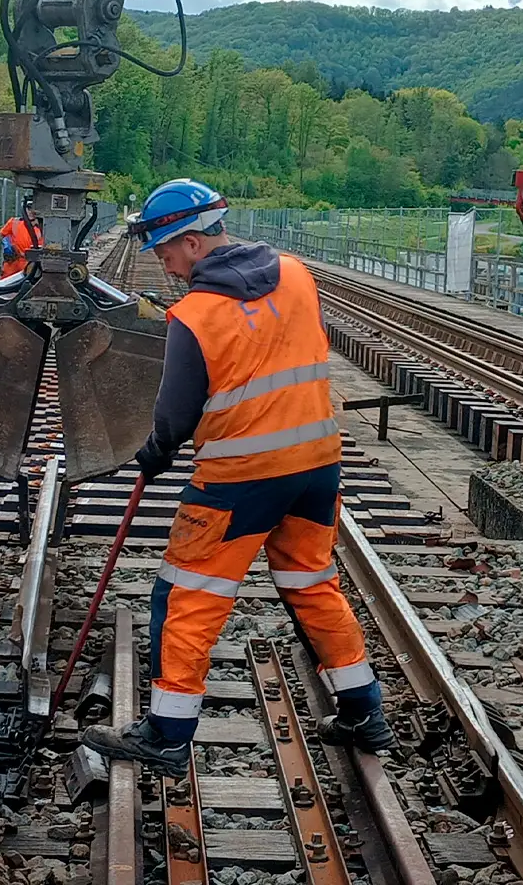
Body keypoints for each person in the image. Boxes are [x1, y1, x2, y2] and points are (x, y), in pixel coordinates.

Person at [82, 178, 393, 774]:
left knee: (185, 596)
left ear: (193, 242)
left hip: (240, 479)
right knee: (312, 584)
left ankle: (168, 734)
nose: (162, 263)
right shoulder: (297, 274)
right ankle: (363, 713)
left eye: (164, 250)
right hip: (317, 468)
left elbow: (174, 413)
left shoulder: (195, 316)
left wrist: (154, 452)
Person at [0, 199, 38, 278]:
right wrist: (7, 244)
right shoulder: (14, 222)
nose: (31, 211)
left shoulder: (42, 226)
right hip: (13, 261)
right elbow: (2, 234)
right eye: (29, 208)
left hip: (30, 263)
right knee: (5, 283)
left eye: (33, 208)